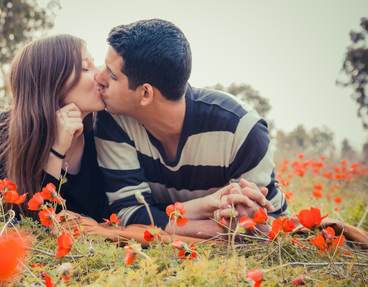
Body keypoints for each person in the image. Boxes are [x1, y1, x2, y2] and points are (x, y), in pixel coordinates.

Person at [94, 19, 288, 238]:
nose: (98, 78)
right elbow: (129, 213)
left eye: (111, 75)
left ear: (146, 94)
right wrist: (221, 230)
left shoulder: (241, 130)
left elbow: (265, 224)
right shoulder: (113, 119)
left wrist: (245, 222)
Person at [0, 34, 111, 223]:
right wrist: (56, 151)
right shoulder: (10, 128)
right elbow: (25, 222)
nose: (100, 74)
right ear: (50, 83)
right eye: (85, 68)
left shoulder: (106, 127)